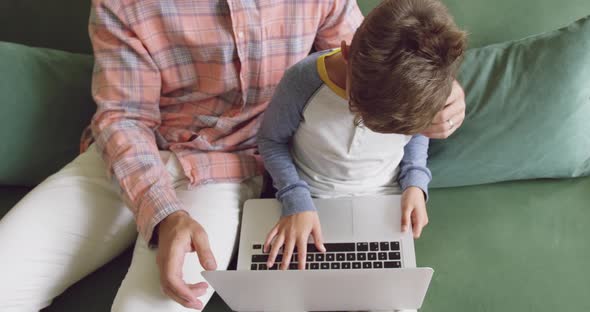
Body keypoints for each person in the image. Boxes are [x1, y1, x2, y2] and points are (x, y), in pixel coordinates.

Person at [0, 1, 466, 311]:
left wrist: (441, 93)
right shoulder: (125, 6)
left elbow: (369, 64)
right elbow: (122, 117)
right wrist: (162, 212)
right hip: (124, 159)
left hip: (222, 172)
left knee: (159, 304)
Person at [258, 0, 466, 277]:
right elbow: (271, 141)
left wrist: (415, 182)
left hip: (383, 198)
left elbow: (418, 134)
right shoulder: (301, 82)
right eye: (357, 106)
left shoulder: (420, 90)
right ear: (345, 52)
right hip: (309, 194)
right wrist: (295, 199)